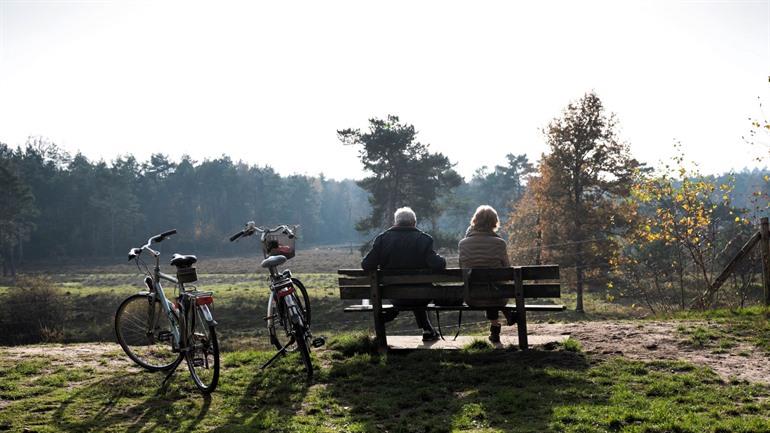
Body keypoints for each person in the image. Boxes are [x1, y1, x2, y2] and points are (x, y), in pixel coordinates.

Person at [361, 206, 446, 341]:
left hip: (393, 295)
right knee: (416, 293)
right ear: (414, 222)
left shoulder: (382, 239)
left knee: (408, 293)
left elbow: (366, 265)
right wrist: (441, 259)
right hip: (422, 294)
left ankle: (394, 315)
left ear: (395, 222)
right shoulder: (424, 239)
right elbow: (438, 265)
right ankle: (428, 330)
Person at [458, 205, 514, 343]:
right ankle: (497, 327)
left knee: (485, 288)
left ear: (475, 221)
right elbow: (507, 270)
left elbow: (461, 268)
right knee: (493, 290)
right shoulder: (500, 243)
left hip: (471, 296)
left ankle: (496, 329)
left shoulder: (463, 243)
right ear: (494, 222)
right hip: (497, 297)